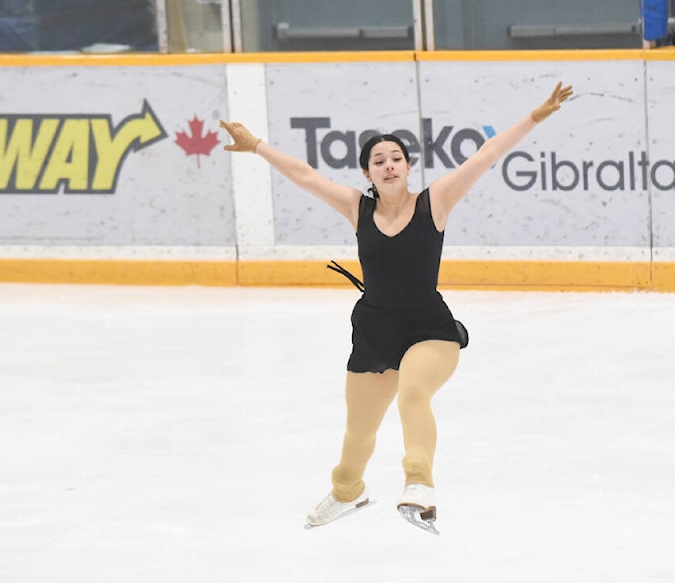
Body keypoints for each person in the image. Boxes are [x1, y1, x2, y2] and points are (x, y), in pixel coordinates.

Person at [220, 81, 574, 533]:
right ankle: (348, 491)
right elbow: (306, 175)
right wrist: (257, 147)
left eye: (395, 159)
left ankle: (419, 484)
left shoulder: (436, 201)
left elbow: (484, 156)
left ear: (408, 167)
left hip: (429, 328)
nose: (388, 166)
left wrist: (535, 117)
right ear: (367, 174)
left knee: (413, 392)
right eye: (377, 161)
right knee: (359, 431)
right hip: (375, 329)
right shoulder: (356, 208)